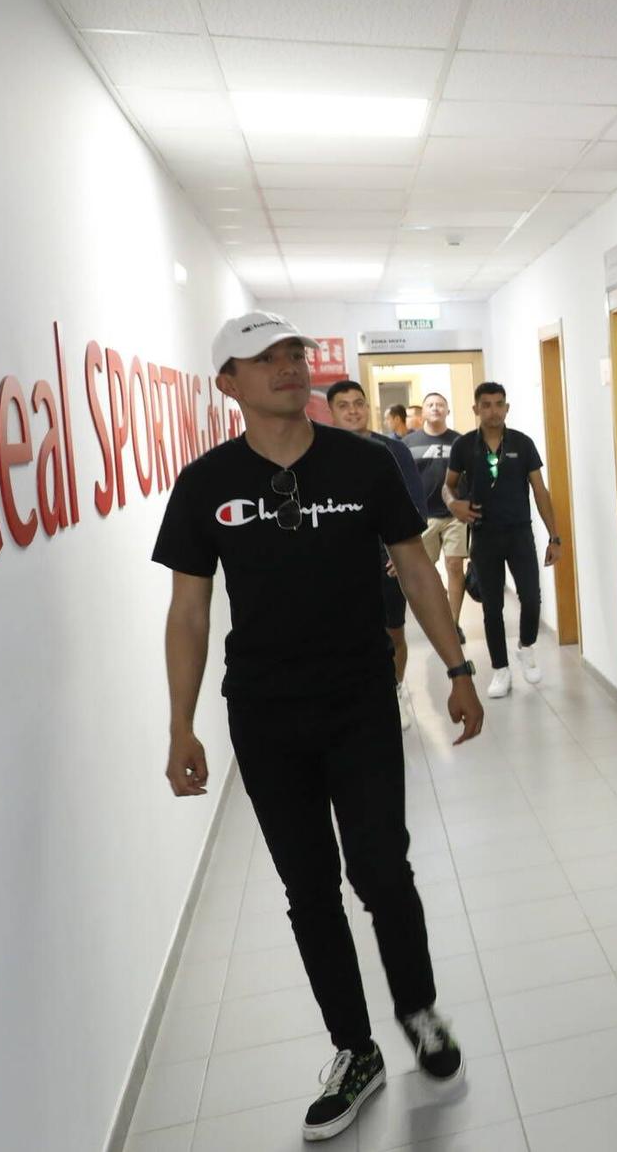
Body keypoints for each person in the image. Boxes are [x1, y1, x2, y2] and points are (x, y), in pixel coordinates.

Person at [155, 311, 484, 1143]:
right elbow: (188, 611)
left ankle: (418, 1011)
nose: (288, 367)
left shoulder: (364, 463)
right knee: (309, 889)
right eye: (263, 359)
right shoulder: (205, 484)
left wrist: (457, 668)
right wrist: (180, 724)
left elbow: (415, 568)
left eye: (294, 353)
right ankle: (354, 1048)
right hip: (264, 715)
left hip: (360, 701)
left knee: (382, 868)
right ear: (227, 382)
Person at [442, 382, 562, 699]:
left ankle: (526, 646)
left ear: (506, 408)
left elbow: (540, 491)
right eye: (486, 404)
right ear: (476, 409)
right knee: (491, 607)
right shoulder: (464, 446)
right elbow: (448, 486)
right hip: (484, 536)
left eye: (498, 404)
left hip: (519, 533)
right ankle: (501, 670)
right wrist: (454, 504)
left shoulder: (523, 444)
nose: (493, 410)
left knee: (532, 598)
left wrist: (555, 535)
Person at [326, 379, 424, 730]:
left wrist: (402, 552)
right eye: (344, 405)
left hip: (388, 561)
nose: (353, 410)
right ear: (331, 412)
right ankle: (357, 698)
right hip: (340, 564)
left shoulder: (392, 451)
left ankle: (395, 690)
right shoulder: (322, 453)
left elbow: (415, 503)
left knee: (393, 631)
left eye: (359, 403)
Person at [402, 392, 468, 641]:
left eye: (440, 405)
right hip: (423, 516)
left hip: (454, 515)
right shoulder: (409, 444)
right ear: (423, 412)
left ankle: (454, 623)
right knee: (428, 572)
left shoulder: (460, 441)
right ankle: (439, 616)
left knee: (454, 565)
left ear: (447, 411)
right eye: (430, 405)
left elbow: (470, 475)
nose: (435, 408)